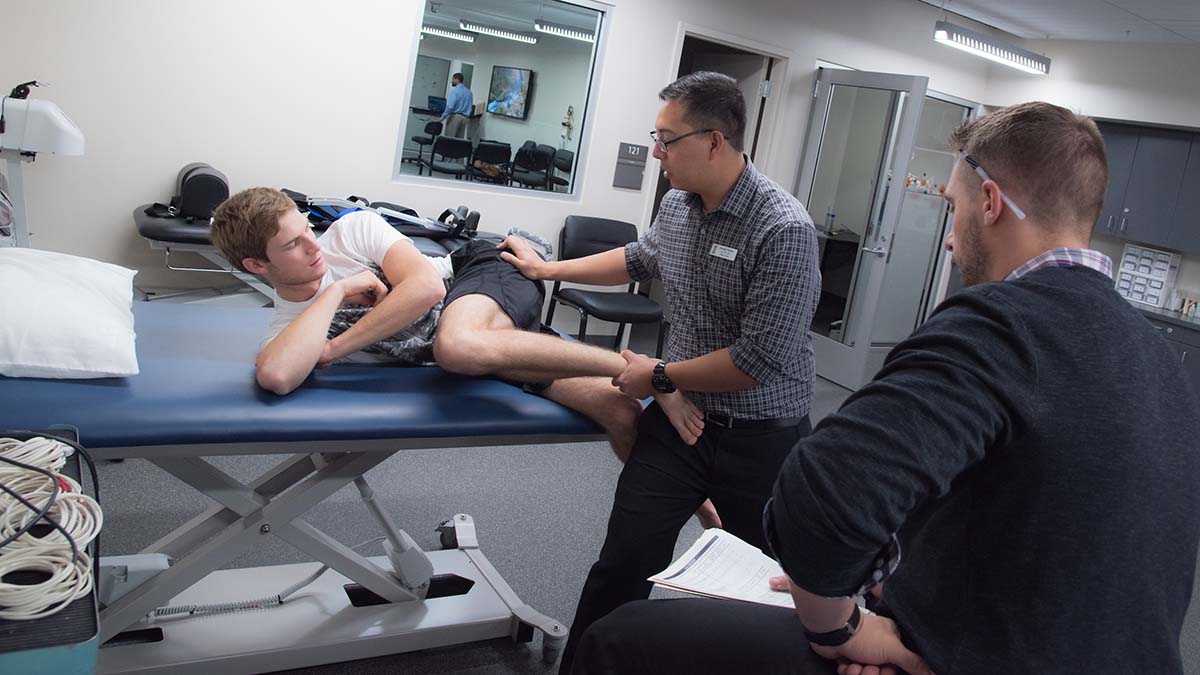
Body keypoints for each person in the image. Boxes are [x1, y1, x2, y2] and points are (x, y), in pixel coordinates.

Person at [570, 101, 1200, 675]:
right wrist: (884, 585)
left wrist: (843, 628)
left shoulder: (998, 326)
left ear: (989, 203)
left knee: (623, 638)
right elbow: (1048, 525)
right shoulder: (1160, 360)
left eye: (951, 210)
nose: (950, 239)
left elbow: (818, 498)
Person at [499, 71, 821, 674]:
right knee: (621, 565)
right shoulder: (677, 205)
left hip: (761, 439)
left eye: (667, 139)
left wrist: (661, 376)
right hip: (678, 429)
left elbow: (757, 360)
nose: (656, 152)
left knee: (756, 588)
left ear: (715, 141)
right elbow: (637, 259)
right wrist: (547, 272)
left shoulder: (784, 230)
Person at [207, 187, 708, 465]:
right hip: (493, 347)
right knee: (621, 414)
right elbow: (276, 375)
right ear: (256, 266)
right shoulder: (288, 324)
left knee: (458, 345)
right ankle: (718, 531)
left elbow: (426, 289)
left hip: (481, 273)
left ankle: (657, 372)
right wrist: (337, 290)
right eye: (293, 245)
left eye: (306, 230)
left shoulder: (349, 232)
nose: (314, 246)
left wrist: (334, 349)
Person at [442, 73, 473, 138]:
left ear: (457, 80)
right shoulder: (469, 92)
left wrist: (443, 117)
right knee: (458, 142)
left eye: (453, 79)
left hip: (455, 117)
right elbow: (470, 107)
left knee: (449, 139)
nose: (452, 81)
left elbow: (450, 106)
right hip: (464, 119)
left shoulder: (454, 91)